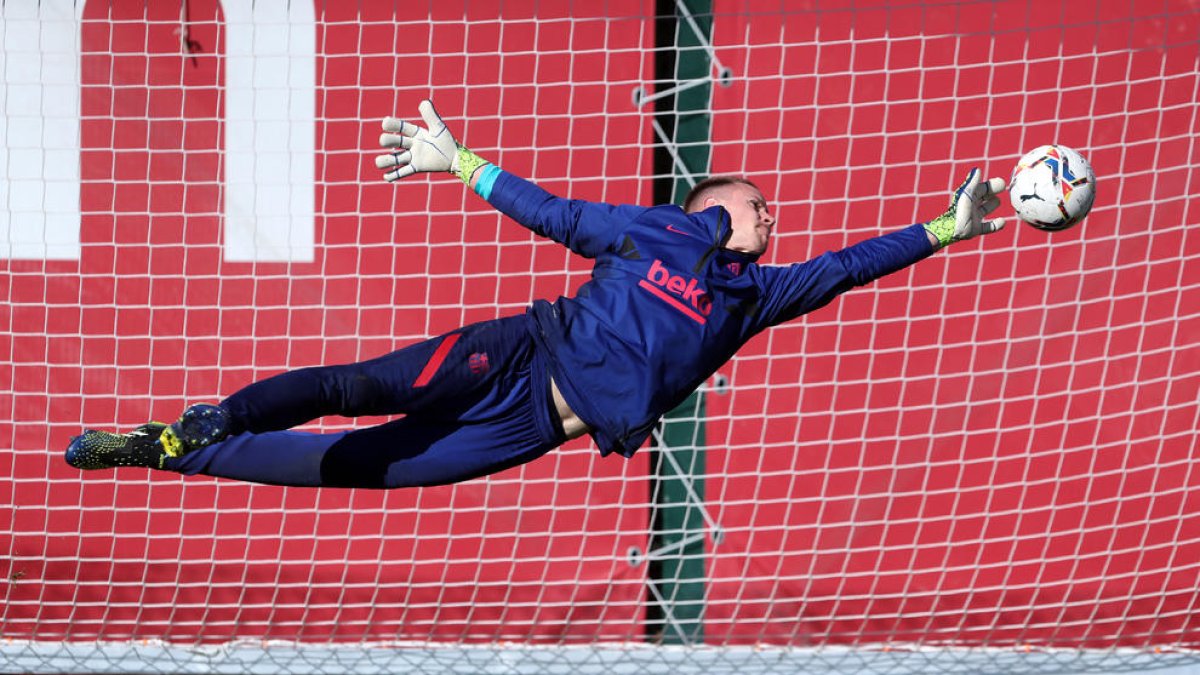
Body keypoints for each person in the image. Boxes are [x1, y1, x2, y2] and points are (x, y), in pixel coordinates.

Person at [65, 100, 1007, 488]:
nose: (774, 219)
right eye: (758, 206)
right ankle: (211, 417)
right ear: (715, 204)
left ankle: (166, 452)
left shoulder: (753, 296)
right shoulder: (664, 230)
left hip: (532, 428)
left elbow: (847, 267)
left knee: (361, 469)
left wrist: (948, 228)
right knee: (357, 388)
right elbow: (555, 214)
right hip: (518, 353)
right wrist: (460, 163)